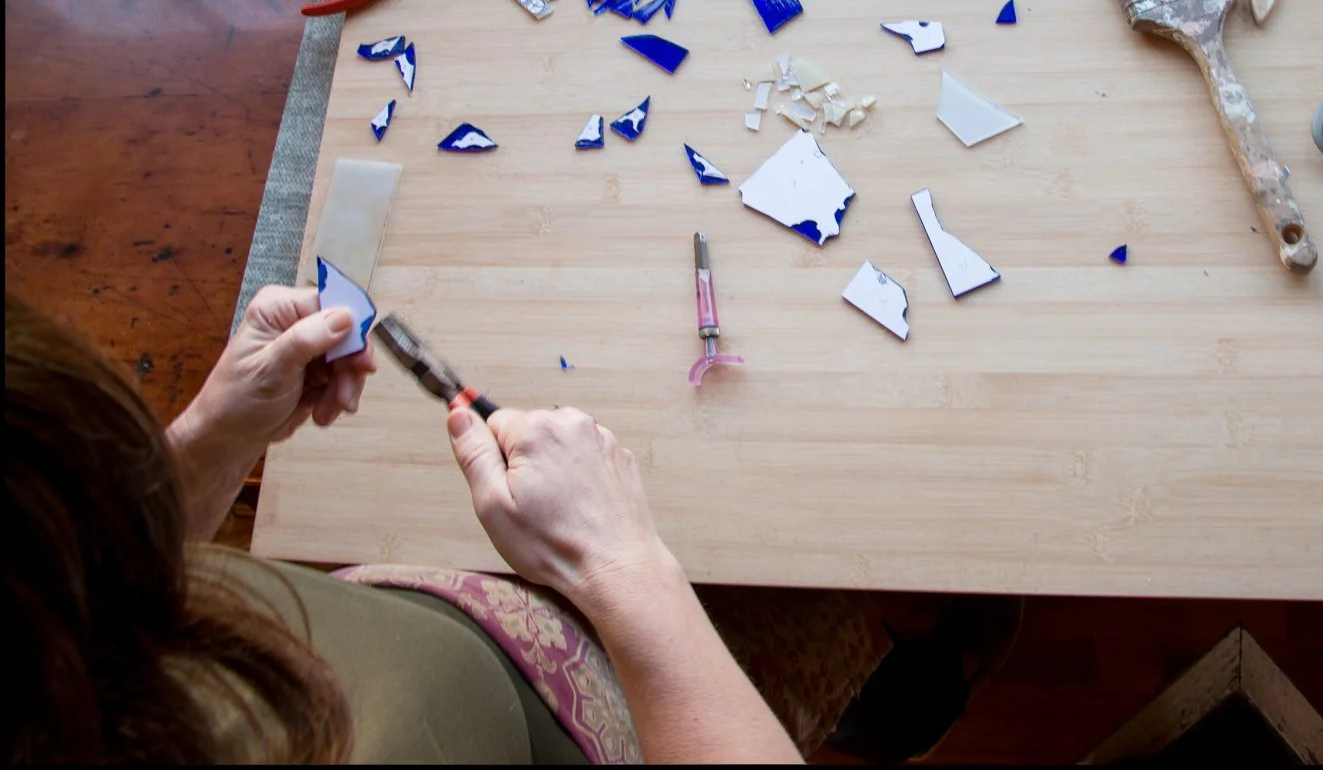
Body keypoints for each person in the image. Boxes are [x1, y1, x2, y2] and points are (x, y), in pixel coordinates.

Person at [6, 285, 818, 763]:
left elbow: (78, 578)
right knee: (824, 616)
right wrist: (624, 567)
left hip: (504, 647)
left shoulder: (54, 616)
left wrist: (205, 447)